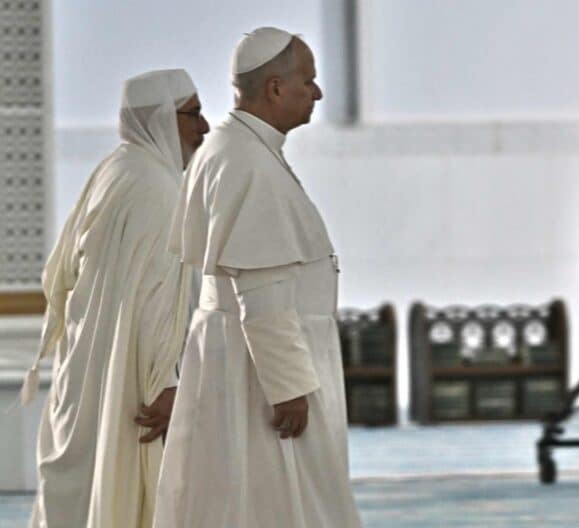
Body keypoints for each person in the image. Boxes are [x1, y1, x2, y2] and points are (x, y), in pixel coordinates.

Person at [154, 28, 362, 527]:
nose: (317, 92)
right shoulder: (245, 160)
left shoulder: (236, 148)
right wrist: (287, 386)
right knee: (275, 497)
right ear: (275, 87)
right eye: (308, 80)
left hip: (247, 356)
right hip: (259, 369)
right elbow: (260, 289)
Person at [23, 69, 210, 527]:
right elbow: (152, 303)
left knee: (87, 491)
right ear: (162, 119)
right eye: (193, 114)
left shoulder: (118, 170)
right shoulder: (156, 190)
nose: (204, 127)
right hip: (135, 388)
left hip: (91, 372)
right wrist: (167, 384)